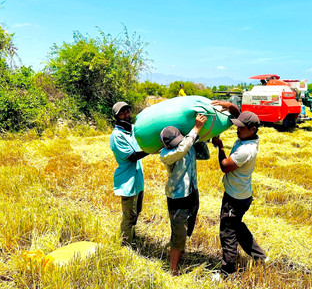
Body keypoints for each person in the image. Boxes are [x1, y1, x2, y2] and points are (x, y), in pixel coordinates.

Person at [210, 100, 267, 276]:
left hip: (235, 198)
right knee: (237, 227)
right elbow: (236, 114)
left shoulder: (246, 150)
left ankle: (227, 272)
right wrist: (228, 104)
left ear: (253, 129)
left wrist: (220, 147)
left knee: (228, 232)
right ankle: (260, 256)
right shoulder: (247, 136)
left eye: (241, 127)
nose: (237, 129)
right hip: (241, 195)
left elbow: (225, 166)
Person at [159, 114, 207, 276]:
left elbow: (204, 156)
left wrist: (204, 138)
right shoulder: (166, 155)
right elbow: (181, 150)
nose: (176, 145)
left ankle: (180, 252)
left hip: (192, 193)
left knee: (188, 228)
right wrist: (196, 129)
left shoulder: (187, 145)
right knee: (178, 234)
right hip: (177, 198)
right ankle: (173, 270)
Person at [110, 101, 150, 246]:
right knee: (129, 216)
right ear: (116, 116)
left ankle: (132, 237)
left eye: (128, 111)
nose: (127, 115)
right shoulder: (116, 136)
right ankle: (125, 245)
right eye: (122, 112)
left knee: (137, 211)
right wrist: (151, 149)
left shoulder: (133, 130)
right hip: (127, 181)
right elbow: (132, 156)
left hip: (138, 179)